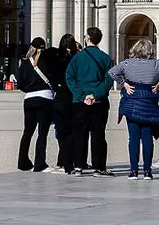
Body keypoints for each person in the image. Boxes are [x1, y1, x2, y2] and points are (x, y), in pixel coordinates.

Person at [109, 40, 159, 180]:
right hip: (149, 102)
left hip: (132, 100)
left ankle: (134, 171)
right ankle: (147, 171)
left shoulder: (127, 63)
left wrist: (124, 84)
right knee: (147, 138)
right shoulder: (156, 64)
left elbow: (112, 72)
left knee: (133, 138)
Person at [65, 27, 114, 177]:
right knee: (98, 134)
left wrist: (81, 96)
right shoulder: (105, 58)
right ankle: (99, 167)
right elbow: (108, 80)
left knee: (80, 134)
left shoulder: (77, 58)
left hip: (79, 102)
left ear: (87, 38)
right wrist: (96, 95)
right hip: (99, 102)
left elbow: (69, 78)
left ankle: (79, 165)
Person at [16, 38, 57, 172]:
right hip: (45, 98)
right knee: (42, 133)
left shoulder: (25, 62)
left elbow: (20, 84)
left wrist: (30, 89)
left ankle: (23, 162)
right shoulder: (48, 61)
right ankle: (39, 163)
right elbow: (54, 78)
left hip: (29, 99)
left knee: (27, 132)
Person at [50, 34, 81, 175]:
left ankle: (66, 163)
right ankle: (74, 162)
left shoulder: (56, 58)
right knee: (74, 131)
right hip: (74, 96)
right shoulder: (77, 59)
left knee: (62, 132)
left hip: (61, 96)